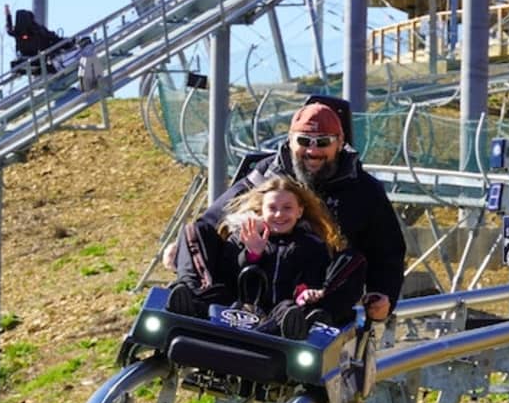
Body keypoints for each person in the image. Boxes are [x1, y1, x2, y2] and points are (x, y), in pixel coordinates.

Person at [172, 99, 406, 324]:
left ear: (340, 142)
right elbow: (216, 217)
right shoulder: (266, 173)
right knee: (195, 231)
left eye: (323, 142)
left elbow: (388, 250)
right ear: (290, 141)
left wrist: (384, 293)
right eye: (304, 141)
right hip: (248, 282)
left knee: (352, 261)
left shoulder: (364, 190)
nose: (313, 151)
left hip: (308, 292)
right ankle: (197, 298)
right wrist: (186, 250)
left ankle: (309, 319)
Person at [167, 177, 360, 339]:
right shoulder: (243, 235)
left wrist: (307, 293)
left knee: (351, 261)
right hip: (232, 306)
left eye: (287, 208)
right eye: (272, 208)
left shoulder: (310, 245)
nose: (279, 214)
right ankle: (190, 300)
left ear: (299, 211)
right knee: (196, 230)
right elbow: (226, 272)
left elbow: (312, 278)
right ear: (261, 211)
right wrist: (252, 254)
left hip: (280, 312)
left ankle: (292, 328)